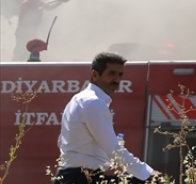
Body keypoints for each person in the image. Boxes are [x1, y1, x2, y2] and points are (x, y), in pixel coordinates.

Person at [55, 52, 158, 183]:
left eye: (120, 75)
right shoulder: (93, 102)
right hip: (81, 178)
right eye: (112, 73)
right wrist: (150, 175)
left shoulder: (79, 99)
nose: (117, 79)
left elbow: (61, 141)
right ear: (95, 75)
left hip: (74, 176)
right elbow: (113, 150)